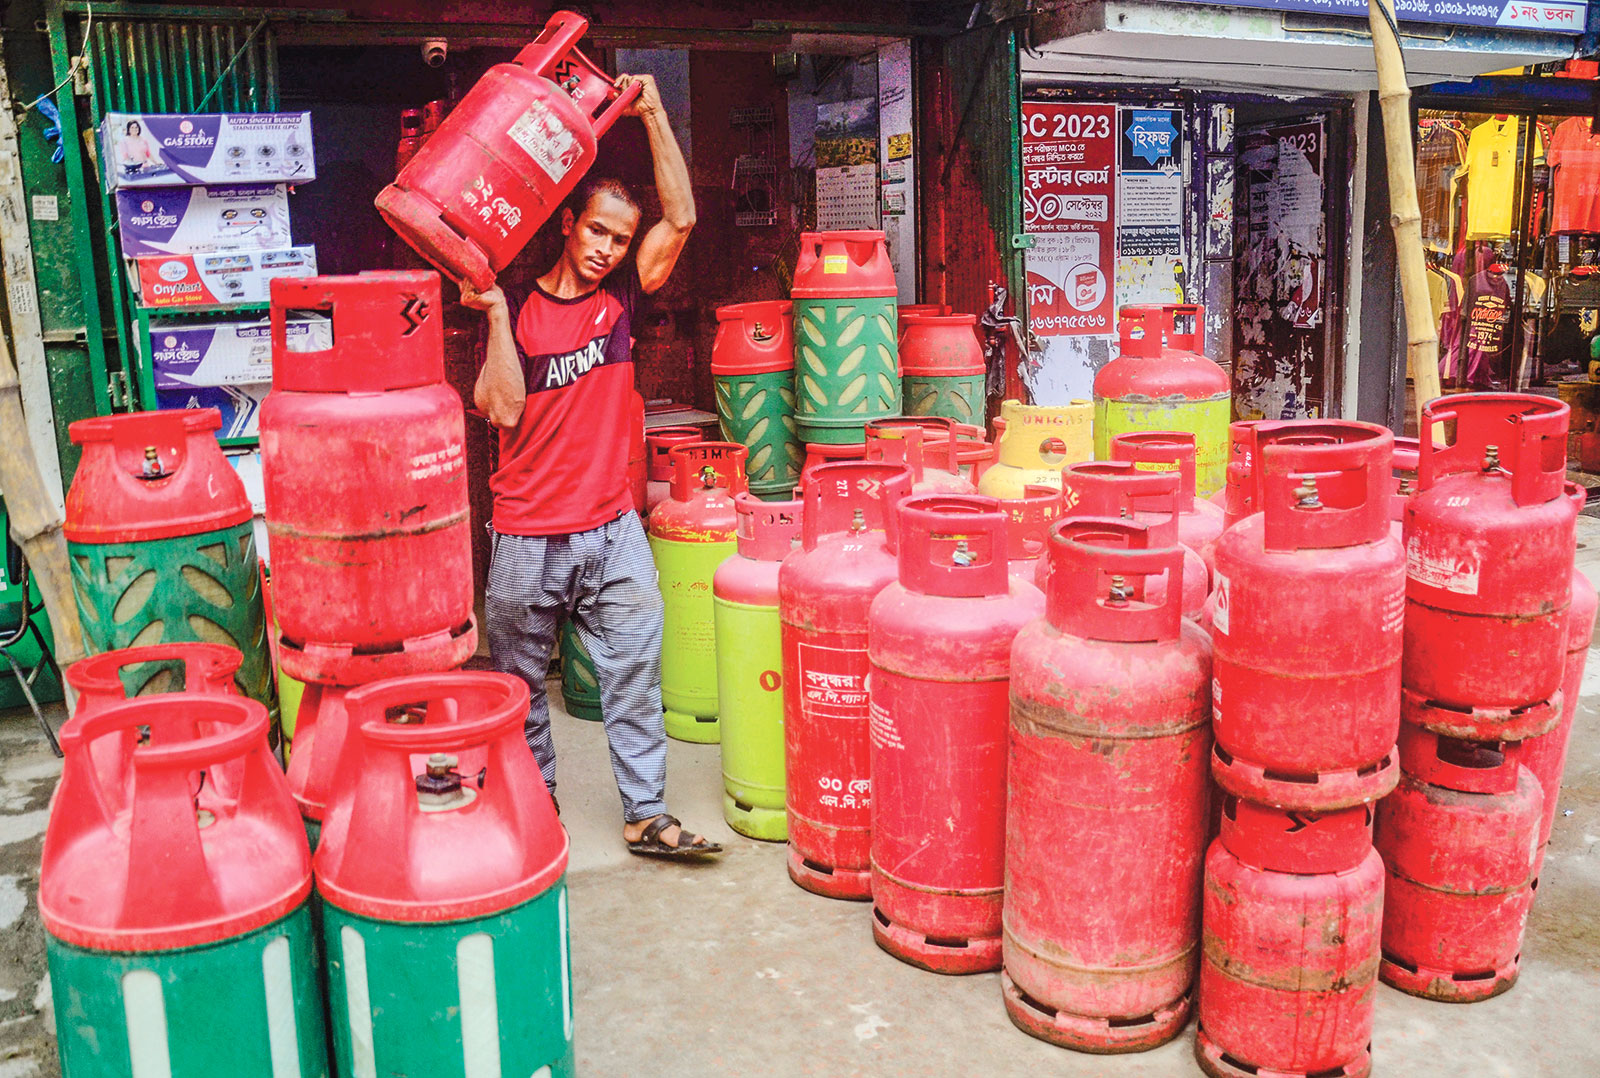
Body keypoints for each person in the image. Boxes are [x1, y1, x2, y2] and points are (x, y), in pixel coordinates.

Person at [461, 73, 719, 859]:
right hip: (527, 536)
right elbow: (500, 409)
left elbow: (682, 216)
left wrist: (652, 113)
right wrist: (500, 319)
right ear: (570, 223)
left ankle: (645, 813)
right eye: (598, 232)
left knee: (636, 670)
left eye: (619, 237)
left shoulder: (624, 301)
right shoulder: (514, 298)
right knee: (518, 688)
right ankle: (537, 809)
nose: (608, 249)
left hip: (613, 530)